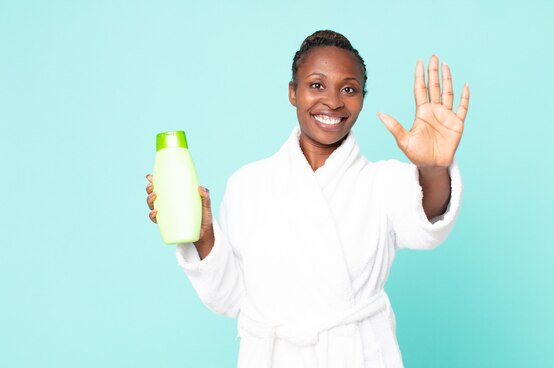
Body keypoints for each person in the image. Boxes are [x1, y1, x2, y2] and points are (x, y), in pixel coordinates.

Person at [145, 30, 469, 368]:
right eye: (316, 85)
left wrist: (433, 168)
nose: (333, 101)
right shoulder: (248, 184)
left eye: (349, 89)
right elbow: (230, 299)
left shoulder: (382, 181)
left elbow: (426, 221)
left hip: (356, 356)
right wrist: (204, 235)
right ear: (292, 92)